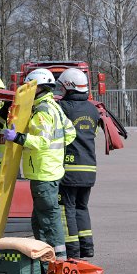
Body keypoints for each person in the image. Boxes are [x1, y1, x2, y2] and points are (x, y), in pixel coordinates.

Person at [2, 68, 76, 260]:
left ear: (38, 87)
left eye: (29, 87)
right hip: (50, 170)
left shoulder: (42, 111)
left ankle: (57, 260)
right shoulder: (54, 106)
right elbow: (70, 133)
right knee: (40, 219)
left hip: (44, 172)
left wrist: (18, 137)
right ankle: (46, 258)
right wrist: (56, 152)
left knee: (48, 219)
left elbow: (42, 142)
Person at [56, 68, 100, 259]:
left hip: (70, 167)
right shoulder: (93, 109)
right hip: (89, 167)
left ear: (69, 86)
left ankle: (72, 249)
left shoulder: (63, 107)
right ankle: (87, 247)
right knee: (82, 207)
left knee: (67, 209)